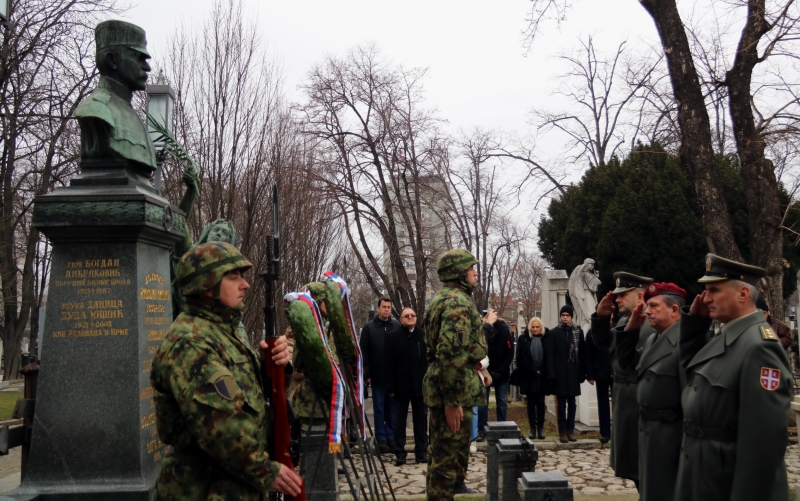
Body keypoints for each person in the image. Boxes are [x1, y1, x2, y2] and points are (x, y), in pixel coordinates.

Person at [150, 242, 303, 499]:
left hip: (231, 484)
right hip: (203, 488)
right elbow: (220, 429)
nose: (245, 285)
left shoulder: (222, 331)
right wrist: (266, 471)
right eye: (234, 278)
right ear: (206, 286)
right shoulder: (191, 342)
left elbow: (250, 401)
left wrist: (270, 368)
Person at [676, 253, 792, 501]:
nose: (705, 298)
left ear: (742, 294)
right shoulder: (728, 335)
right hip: (704, 474)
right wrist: (694, 326)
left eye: (714, 290)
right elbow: (690, 376)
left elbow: (764, 441)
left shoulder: (759, 346)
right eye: (705, 290)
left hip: (724, 481)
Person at [423, 249, 487, 501]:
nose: (476, 272)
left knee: (449, 456)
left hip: (456, 386)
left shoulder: (448, 297)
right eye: (471, 268)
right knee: (446, 462)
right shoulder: (456, 302)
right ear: (459, 273)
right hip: (451, 391)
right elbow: (450, 353)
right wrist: (452, 401)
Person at [617, 283, 686, 501]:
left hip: (670, 438)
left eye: (653, 306)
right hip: (648, 434)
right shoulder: (652, 338)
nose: (646, 312)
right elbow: (627, 363)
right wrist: (631, 329)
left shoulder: (684, 343)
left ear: (674, 310)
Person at [590, 271, 655, 489]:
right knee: (634, 468)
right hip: (623, 400)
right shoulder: (625, 321)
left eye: (623, 295)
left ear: (639, 297)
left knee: (644, 469)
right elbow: (604, 342)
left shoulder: (650, 322)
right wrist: (600, 317)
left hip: (636, 402)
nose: (617, 299)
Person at [75, 20, 157, 171]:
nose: (147, 67)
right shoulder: (96, 110)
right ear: (112, 60)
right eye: (139, 58)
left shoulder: (130, 113)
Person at [385, 307, 428, 466]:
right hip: (400, 388)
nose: (410, 317)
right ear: (401, 319)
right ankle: (400, 453)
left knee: (420, 422)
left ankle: (421, 452)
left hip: (420, 387)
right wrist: (390, 387)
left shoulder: (423, 336)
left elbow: (428, 361)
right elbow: (388, 364)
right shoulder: (392, 337)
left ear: (416, 318)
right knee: (399, 423)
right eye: (406, 316)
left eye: (412, 315)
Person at [545, 304, 592, 443]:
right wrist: (551, 373)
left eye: (568, 315)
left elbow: (582, 354)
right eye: (563, 315)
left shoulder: (578, 332)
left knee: (572, 402)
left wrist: (582, 373)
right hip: (559, 373)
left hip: (573, 371)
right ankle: (563, 431)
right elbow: (550, 355)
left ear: (572, 317)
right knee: (561, 403)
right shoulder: (553, 333)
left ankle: (571, 430)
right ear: (560, 316)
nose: (565, 318)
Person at [360, 296, 400, 453]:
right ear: (378, 308)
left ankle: (391, 436)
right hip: (376, 376)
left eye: (389, 307)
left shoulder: (396, 326)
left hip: (393, 376)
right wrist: (366, 373)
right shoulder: (369, 328)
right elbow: (364, 352)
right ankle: (380, 438)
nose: (386, 309)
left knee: (391, 408)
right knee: (379, 408)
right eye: (383, 307)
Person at [476, 309, 514, 437]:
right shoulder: (482, 330)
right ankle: (481, 429)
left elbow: (509, 353)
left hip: (501, 372)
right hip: (485, 371)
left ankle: (501, 428)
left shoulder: (504, 331)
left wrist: (499, 371)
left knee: (501, 401)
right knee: (483, 402)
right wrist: (488, 371)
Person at [515, 317, 549, 440]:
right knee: (531, 403)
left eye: (537, 327)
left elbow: (549, 357)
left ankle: (540, 428)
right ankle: (532, 428)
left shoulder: (546, 339)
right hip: (529, 376)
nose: (535, 329)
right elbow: (520, 358)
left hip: (542, 376)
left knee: (541, 402)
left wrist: (542, 371)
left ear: (541, 327)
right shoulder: (523, 339)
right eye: (533, 327)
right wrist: (532, 371)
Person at [584, 325, 612, 443]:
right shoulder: (592, 332)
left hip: (618, 372)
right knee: (603, 404)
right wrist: (590, 375)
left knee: (620, 404)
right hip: (601, 372)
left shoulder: (619, 327)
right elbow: (588, 354)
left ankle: (619, 431)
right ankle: (605, 432)